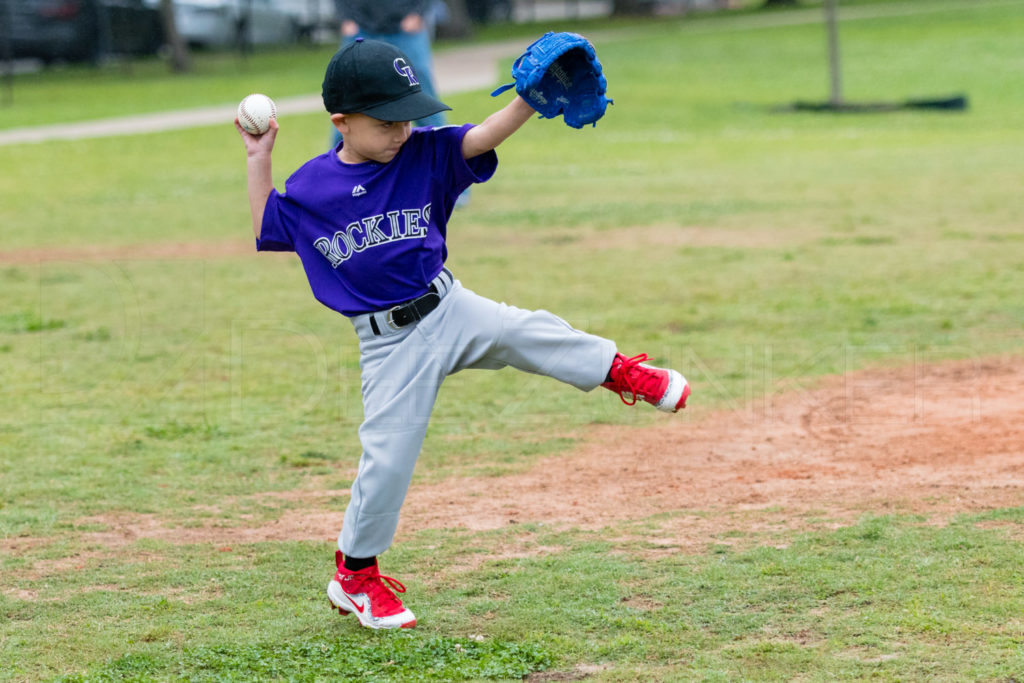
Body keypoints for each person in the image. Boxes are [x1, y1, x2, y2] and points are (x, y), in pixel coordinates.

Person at [234, 38, 691, 630]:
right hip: (388, 343)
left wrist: (527, 100)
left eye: (409, 116)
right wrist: (258, 156)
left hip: (450, 306)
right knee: (388, 459)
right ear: (341, 123)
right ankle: (356, 579)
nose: (401, 130)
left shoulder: (423, 154)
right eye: (386, 121)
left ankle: (622, 372)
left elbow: (478, 137)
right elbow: (267, 226)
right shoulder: (313, 188)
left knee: (529, 332)